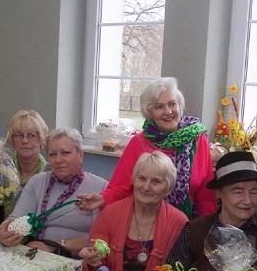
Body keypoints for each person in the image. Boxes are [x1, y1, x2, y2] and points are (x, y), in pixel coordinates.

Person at [77, 77, 216, 219]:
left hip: (187, 223)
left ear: (179, 106)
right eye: (159, 107)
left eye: (172, 104)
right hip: (143, 223)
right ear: (149, 113)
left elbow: (207, 194)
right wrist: (103, 198)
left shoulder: (197, 139)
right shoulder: (138, 143)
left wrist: (206, 229)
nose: (168, 111)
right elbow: (121, 188)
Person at [166, 150, 257, 271]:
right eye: (238, 191)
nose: (248, 200)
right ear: (218, 193)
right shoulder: (194, 231)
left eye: (254, 192)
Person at [79, 151, 188, 271]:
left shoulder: (180, 223)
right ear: (133, 180)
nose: (146, 187)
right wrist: (92, 263)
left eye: (156, 182)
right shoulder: (110, 214)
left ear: (169, 189)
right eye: (141, 178)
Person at [0, 128, 107, 258]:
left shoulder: (102, 188)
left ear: (80, 155)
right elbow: (16, 217)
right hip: (35, 253)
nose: (58, 160)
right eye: (52, 154)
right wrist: (3, 230)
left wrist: (54, 246)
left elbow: (102, 239)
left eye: (65, 153)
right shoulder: (37, 182)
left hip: (75, 260)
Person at [0, 110, 50, 224]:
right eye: (19, 135)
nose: (25, 140)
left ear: (41, 140)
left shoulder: (50, 174)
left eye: (31, 135)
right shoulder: (3, 170)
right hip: (6, 234)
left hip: (37, 239)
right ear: (12, 140)